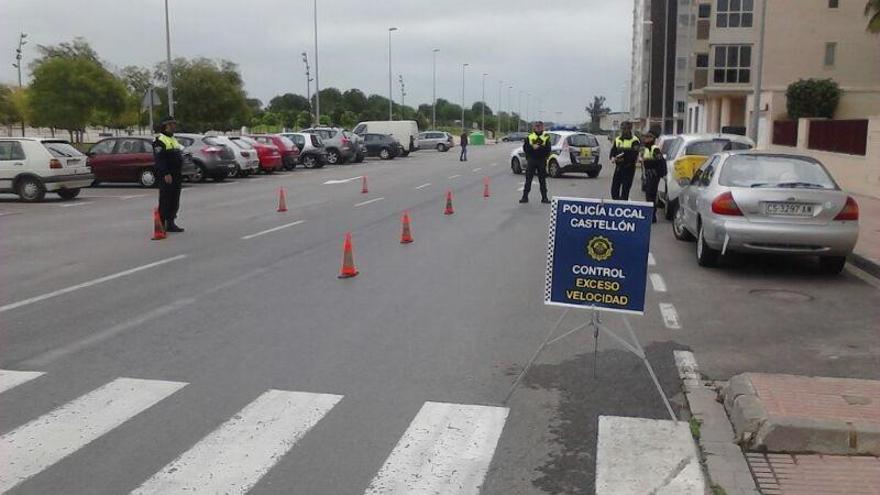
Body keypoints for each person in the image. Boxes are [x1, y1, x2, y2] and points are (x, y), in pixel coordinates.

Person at [153, 116, 185, 233]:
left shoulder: (173, 139)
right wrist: (165, 173)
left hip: (176, 174)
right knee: (166, 199)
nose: (174, 126)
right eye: (173, 124)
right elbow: (160, 159)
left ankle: (171, 222)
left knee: (174, 199)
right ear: (167, 125)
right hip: (167, 175)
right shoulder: (160, 140)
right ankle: (161, 224)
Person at [520, 121, 551, 204]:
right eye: (536, 126)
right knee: (528, 179)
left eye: (540, 126)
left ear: (542, 127)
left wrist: (539, 147)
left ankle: (544, 198)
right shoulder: (529, 137)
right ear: (534, 127)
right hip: (532, 160)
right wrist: (532, 148)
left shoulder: (546, 137)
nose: (538, 128)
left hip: (541, 160)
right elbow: (525, 149)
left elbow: (548, 149)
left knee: (542, 180)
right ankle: (525, 197)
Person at [609, 121, 641, 200]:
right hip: (619, 167)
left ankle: (623, 205)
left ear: (630, 129)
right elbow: (613, 150)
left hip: (628, 168)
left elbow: (634, 154)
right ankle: (616, 205)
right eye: (623, 129)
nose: (624, 130)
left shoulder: (635, 140)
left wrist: (623, 158)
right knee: (614, 190)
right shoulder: (617, 139)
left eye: (626, 129)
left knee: (625, 190)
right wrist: (612, 157)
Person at [640, 131, 667, 223]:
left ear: (652, 139)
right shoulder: (646, 149)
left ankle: (652, 216)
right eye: (645, 137)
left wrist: (661, 174)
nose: (645, 139)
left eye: (647, 138)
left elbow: (660, 162)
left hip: (654, 175)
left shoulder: (654, 149)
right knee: (648, 195)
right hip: (647, 174)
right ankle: (650, 215)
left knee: (651, 195)